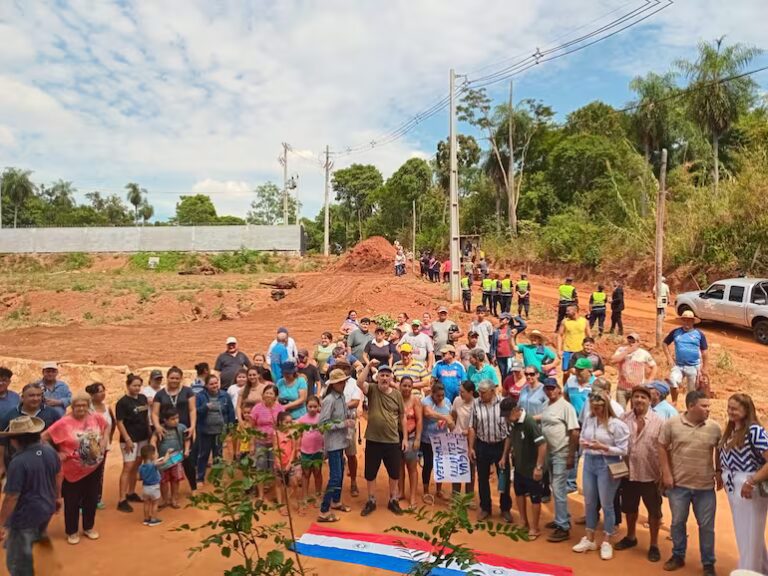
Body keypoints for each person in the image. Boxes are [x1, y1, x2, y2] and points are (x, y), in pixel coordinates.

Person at [658, 390, 722, 574]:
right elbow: (661, 446)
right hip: (679, 485)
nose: (708, 409)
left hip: (705, 487)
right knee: (678, 522)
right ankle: (678, 555)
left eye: (709, 406)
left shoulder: (714, 427)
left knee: (707, 527)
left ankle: (708, 563)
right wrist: (666, 474)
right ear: (691, 406)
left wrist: (718, 470)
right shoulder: (672, 424)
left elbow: (719, 449)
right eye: (704, 406)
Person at [42, 391, 108, 545]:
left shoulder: (95, 417)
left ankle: (88, 528)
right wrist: (57, 453)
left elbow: (107, 426)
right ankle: (71, 531)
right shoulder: (64, 422)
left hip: (94, 466)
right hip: (73, 469)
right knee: (72, 501)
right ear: (72, 406)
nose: (81, 408)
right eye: (77, 406)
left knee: (91, 498)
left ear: (88, 406)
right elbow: (43, 438)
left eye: (84, 405)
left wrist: (104, 440)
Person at [571, 391, 629, 561]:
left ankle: (607, 540)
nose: (595, 411)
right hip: (590, 461)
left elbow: (624, 449)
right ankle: (589, 538)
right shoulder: (589, 419)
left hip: (608, 464)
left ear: (605, 406)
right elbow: (582, 436)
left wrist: (604, 447)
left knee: (606, 503)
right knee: (589, 502)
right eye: (593, 407)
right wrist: (585, 443)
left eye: (598, 408)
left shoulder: (616, 424)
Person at [0, 415, 61, 576]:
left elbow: (11, 497)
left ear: (15, 440)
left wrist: (1, 523)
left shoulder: (18, 462)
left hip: (25, 516)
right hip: (46, 508)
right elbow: (57, 475)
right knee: (35, 542)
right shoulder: (49, 450)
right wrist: (57, 497)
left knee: (18, 562)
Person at [717, 393, 768, 574]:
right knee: (743, 531)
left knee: (751, 532)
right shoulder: (731, 430)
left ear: (747, 410)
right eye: (729, 407)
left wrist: (751, 481)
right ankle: (760, 569)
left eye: (735, 408)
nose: (731, 411)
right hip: (733, 484)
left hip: (748, 484)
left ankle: (748, 570)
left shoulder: (754, 431)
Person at [615, 386, 664, 562]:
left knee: (654, 512)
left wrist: (664, 474)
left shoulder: (659, 422)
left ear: (649, 401)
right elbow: (617, 445)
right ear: (631, 399)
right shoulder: (623, 419)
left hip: (650, 475)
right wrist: (619, 471)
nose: (639, 400)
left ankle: (654, 545)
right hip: (628, 474)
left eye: (643, 397)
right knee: (629, 508)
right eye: (636, 397)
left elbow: (665, 449)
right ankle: (631, 537)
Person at [356, 361, 406, 517]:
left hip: (392, 440)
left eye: (387, 375)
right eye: (382, 375)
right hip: (373, 439)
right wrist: (368, 364)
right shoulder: (372, 389)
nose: (384, 378)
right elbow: (359, 382)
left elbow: (402, 416)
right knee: (371, 472)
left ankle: (393, 500)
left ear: (391, 378)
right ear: (377, 377)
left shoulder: (397, 394)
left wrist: (404, 438)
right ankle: (371, 500)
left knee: (394, 473)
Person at [501, 396, 547, 539]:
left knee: (535, 498)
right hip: (519, 466)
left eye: (508, 415)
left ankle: (534, 527)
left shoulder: (529, 422)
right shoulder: (513, 422)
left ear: (515, 410)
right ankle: (523, 521)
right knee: (519, 493)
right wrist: (504, 456)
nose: (506, 419)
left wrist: (538, 467)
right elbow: (509, 437)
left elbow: (542, 444)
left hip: (531, 468)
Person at [540, 378, 580, 543]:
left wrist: (571, 455)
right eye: (547, 388)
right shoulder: (546, 405)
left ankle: (563, 526)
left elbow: (575, 432)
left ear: (558, 389)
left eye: (552, 388)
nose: (549, 391)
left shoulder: (566, 407)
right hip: (549, 452)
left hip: (561, 452)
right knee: (555, 486)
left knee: (558, 488)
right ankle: (560, 518)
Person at [468, 379, 511, 522]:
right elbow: (472, 427)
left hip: (500, 445)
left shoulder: (503, 403)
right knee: (482, 478)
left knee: (503, 477)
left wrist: (505, 454)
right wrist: (471, 448)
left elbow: (509, 431)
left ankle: (505, 508)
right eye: (479, 392)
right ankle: (485, 507)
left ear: (492, 391)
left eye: (483, 392)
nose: (480, 395)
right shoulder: (475, 403)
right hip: (482, 445)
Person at [0, 384, 61, 481]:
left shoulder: (52, 413)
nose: (36, 398)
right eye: (31, 395)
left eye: (38, 395)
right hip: (17, 464)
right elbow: (2, 442)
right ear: (22, 397)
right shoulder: (11, 414)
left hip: (44, 464)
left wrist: (60, 455)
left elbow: (61, 436)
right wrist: (1, 465)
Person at [151, 367, 197, 492]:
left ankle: (193, 488)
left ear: (181, 379)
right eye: (172, 378)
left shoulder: (188, 391)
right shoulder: (160, 394)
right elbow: (155, 413)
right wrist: (157, 426)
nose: (174, 380)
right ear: (167, 378)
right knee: (165, 458)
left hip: (184, 430)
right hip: (165, 431)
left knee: (188, 459)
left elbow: (192, 410)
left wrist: (192, 427)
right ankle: (164, 491)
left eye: (177, 378)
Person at [318, 370, 353, 522]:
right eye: (340, 382)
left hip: (341, 441)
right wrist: (343, 424)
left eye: (344, 381)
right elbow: (323, 424)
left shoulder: (341, 397)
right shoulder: (329, 400)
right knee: (335, 476)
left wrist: (348, 419)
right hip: (332, 443)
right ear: (333, 384)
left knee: (340, 471)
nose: (343, 384)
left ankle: (336, 501)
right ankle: (324, 510)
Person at [115, 373, 151, 513]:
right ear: (128, 385)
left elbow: (145, 417)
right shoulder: (122, 402)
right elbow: (120, 422)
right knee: (128, 466)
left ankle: (131, 492)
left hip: (142, 437)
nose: (136, 388)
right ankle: (121, 499)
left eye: (138, 386)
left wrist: (148, 432)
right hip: (130, 440)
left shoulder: (142, 398)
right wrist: (127, 439)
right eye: (134, 385)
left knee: (136, 464)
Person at [196, 374, 236, 484]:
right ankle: (200, 478)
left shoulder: (225, 395)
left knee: (218, 455)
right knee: (203, 454)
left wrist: (230, 427)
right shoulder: (200, 396)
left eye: (216, 383)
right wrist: (205, 407)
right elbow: (195, 411)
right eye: (211, 384)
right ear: (206, 385)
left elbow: (230, 411)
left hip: (220, 431)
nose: (214, 385)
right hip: (205, 431)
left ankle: (217, 478)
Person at [663, 310, 709, 404]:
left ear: (692, 321)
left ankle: (690, 407)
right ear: (682, 321)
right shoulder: (676, 332)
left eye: (689, 320)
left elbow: (704, 352)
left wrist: (704, 368)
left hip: (693, 366)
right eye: (684, 320)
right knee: (673, 381)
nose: (687, 322)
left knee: (692, 391)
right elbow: (664, 343)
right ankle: (674, 402)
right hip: (678, 365)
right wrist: (669, 358)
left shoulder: (699, 334)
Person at [421, 382, 454, 503]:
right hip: (427, 439)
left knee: (440, 465)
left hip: (442, 438)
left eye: (442, 395)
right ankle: (425, 491)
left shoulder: (448, 402)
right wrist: (444, 417)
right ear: (432, 394)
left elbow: (451, 417)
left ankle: (438, 490)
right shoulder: (426, 401)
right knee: (428, 465)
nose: (440, 398)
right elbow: (428, 413)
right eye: (438, 395)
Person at [249, 384, 284, 500]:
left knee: (275, 468)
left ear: (275, 396)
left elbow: (283, 426)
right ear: (263, 394)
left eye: (271, 393)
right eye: (266, 393)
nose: (268, 395)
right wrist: (252, 444)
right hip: (260, 442)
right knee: (260, 468)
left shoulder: (280, 409)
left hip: (275, 443)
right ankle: (260, 495)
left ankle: (275, 493)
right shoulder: (257, 408)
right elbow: (252, 427)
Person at [150, 407, 188, 510]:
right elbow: (153, 440)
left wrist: (187, 449)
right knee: (163, 481)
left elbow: (186, 439)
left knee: (175, 480)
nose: (176, 420)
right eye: (172, 419)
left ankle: (174, 499)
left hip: (177, 458)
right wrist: (155, 451)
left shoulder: (181, 427)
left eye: (177, 418)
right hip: (163, 459)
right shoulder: (159, 429)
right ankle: (165, 499)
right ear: (165, 420)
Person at [85, 382, 115, 510]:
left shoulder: (107, 407)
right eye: (99, 391)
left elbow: (112, 422)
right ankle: (83, 501)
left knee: (99, 472)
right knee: (86, 472)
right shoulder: (87, 408)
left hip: (104, 445)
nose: (103, 394)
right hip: (89, 445)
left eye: (104, 391)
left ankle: (97, 498)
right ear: (92, 395)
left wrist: (109, 438)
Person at [337, 361, 362, 497]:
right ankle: (337, 483)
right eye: (339, 368)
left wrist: (338, 407)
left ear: (348, 369)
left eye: (344, 368)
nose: (342, 370)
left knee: (351, 454)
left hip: (349, 422)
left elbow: (356, 401)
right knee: (336, 454)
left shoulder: (354, 383)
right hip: (334, 423)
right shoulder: (331, 382)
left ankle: (353, 481)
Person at [611, 333, 658, 406]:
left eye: (633, 342)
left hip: (637, 389)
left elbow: (654, 366)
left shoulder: (643, 353)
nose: (631, 343)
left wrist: (650, 380)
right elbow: (613, 360)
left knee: (635, 412)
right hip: (622, 388)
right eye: (629, 341)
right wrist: (626, 352)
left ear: (638, 342)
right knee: (620, 412)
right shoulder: (621, 350)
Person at [451, 380, 477, 504]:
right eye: (460, 391)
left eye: (463, 392)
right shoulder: (457, 401)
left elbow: (478, 424)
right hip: (457, 439)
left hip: (470, 440)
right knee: (456, 468)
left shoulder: (476, 404)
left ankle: (468, 498)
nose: (460, 394)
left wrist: (469, 431)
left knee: (470, 470)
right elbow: (453, 415)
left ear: (471, 392)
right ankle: (455, 497)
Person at [297, 396, 324, 513]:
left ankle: (318, 496)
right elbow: (298, 435)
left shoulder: (321, 419)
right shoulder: (301, 420)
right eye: (310, 406)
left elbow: (324, 434)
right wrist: (298, 450)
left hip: (318, 451)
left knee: (317, 473)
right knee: (305, 474)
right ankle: (305, 496)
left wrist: (324, 449)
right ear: (306, 407)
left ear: (319, 407)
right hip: (305, 451)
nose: (312, 409)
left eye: (315, 406)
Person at [399, 376, 423, 509]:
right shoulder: (396, 398)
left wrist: (418, 438)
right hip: (397, 436)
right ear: (400, 386)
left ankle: (413, 496)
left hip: (412, 436)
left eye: (409, 386)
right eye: (404, 385)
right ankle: (401, 491)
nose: (406, 388)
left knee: (412, 467)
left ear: (412, 387)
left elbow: (419, 420)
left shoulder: (415, 400)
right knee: (399, 465)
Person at [138, 444, 172, 527]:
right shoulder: (153, 464)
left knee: (146, 503)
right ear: (152, 455)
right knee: (155, 503)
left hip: (145, 488)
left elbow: (138, 478)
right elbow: (164, 461)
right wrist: (168, 453)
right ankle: (153, 520)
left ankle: (146, 519)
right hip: (154, 487)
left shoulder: (141, 467)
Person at [274, 412, 301, 516]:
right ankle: (281, 506)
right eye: (286, 422)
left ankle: (295, 504)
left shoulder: (292, 433)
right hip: (279, 463)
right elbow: (275, 448)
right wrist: (278, 462)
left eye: (290, 422)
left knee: (294, 483)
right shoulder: (275, 433)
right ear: (280, 422)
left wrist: (290, 463)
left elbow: (294, 448)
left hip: (289, 462)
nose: (289, 424)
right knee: (279, 484)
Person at [557, 305, 591, 384]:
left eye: (568, 311)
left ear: (575, 311)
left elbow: (589, 336)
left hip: (581, 351)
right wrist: (559, 350)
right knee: (566, 372)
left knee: (581, 371)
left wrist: (590, 349)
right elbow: (559, 335)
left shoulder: (584, 321)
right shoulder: (564, 321)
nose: (566, 312)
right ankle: (565, 389)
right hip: (567, 350)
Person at [490, 313, 527, 381]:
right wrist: (492, 356)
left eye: (502, 319)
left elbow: (524, 325)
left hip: (510, 355)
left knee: (511, 373)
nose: (500, 320)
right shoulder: (496, 331)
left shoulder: (512, 329)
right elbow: (493, 345)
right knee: (503, 374)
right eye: (500, 319)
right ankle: (505, 389)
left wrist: (516, 317)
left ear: (507, 320)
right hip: (500, 356)